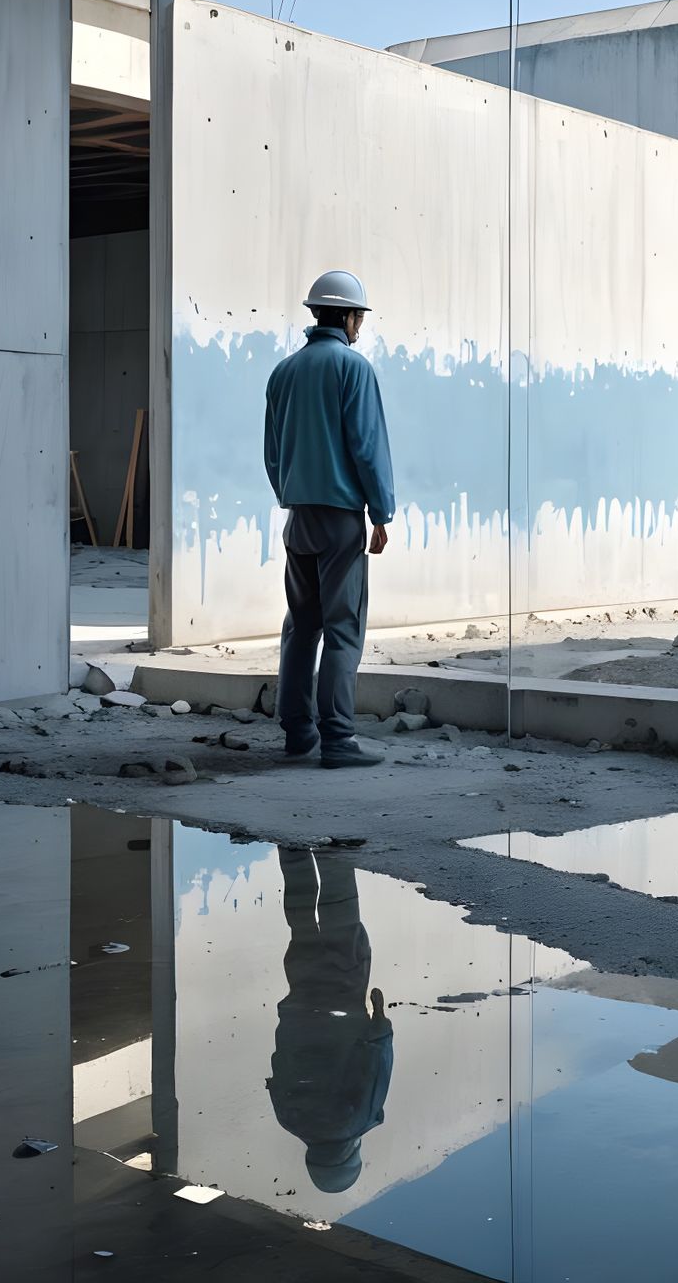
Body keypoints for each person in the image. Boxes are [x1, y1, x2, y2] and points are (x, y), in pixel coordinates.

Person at [264, 269, 394, 769]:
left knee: (301, 625)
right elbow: (367, 446)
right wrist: (380, 512)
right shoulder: (352, 368)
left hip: (298, 517)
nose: (360, 323)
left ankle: (297, 733)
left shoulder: (284, 371)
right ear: (347, 315)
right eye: (359, 315)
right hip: (341, 518)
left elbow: (273, 451)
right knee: (343, 627)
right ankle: (338, 739)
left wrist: (290, 494)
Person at [267, 848, 394, 1194]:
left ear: (348, 1159)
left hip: (343, 995)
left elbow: (377, 1062)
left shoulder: (356, 1121)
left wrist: (380, 1020)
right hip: (301, 995)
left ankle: (331, 848)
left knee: (341, 914)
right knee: (301, 922)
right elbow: (278, 1062)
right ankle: (291, 849)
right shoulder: (288, 1119)